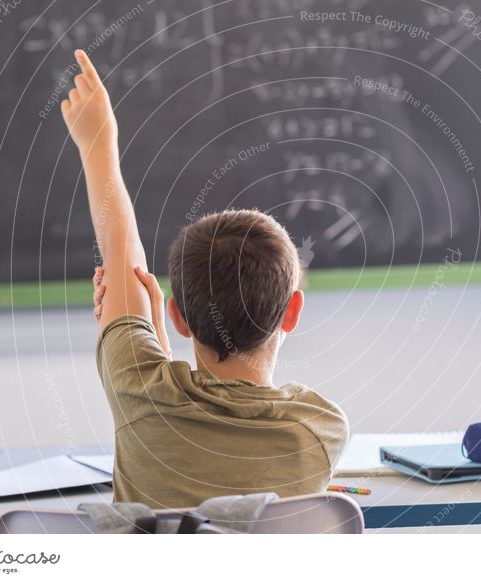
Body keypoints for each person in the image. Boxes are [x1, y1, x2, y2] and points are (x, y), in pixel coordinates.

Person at [61, 50, 349, 508]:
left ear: (179, 316)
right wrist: (151, 344)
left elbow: (121, 251)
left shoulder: (139, 392)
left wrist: (99, 144)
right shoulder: (319, 428)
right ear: (292, 311)